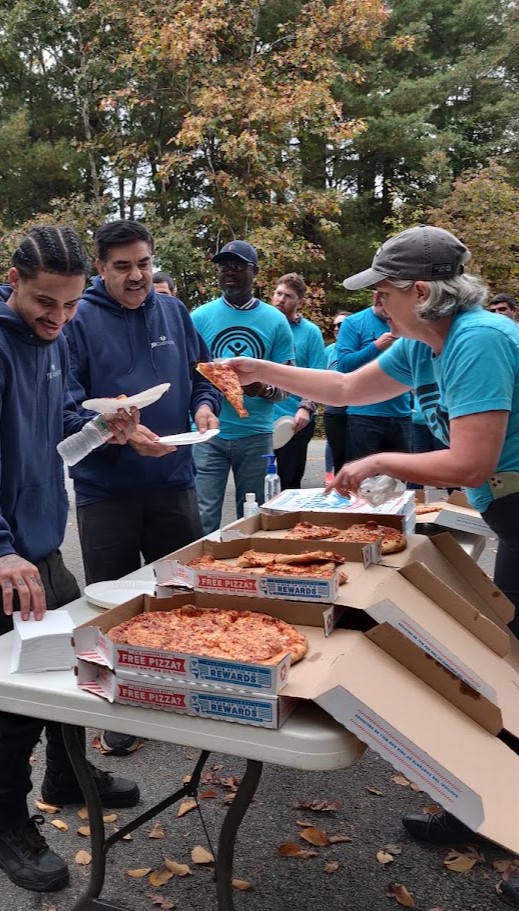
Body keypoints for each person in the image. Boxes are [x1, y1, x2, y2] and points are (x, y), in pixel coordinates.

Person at [225, 224, 519, 909]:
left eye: (383, 292)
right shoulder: (428, 343)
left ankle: (503, 816)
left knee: (509, 672)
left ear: (421, 291)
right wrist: (260, 369)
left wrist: (380, 461)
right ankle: (481, 808)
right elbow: (346, 386)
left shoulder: (477, 339)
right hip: (508, 509)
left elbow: (470, 461)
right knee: (492, 664)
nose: (376, 304)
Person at [0, 225, 140, 894]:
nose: (58, 318)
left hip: (39, 540)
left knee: (80, 654)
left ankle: (65, 775)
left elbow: (50, 430)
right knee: (22, 694)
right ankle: (3, 827)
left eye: (72, 304)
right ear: (14, 279)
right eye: (46, 302)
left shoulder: (47, 341)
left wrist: (100, 425)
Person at [64, 220, 220, 755]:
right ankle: (119, 707)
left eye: (144, 264)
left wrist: (205, 406)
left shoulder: (173, 311)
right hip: (105, 489)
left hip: (174, 479)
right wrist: (120, 435)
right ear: (100, 269)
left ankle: (184, 691)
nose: (137, 276)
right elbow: (64, 409)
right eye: (123, 267)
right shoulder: (78, 321)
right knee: (112, 601)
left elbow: (202, 376)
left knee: (179, 593)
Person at [190, 240, 294, 529]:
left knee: (256, 516)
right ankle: (202, 572)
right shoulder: (198, 317)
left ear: (255, 272)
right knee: (202, 515)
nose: (229, 272)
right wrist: (213, 378)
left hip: (256, 433)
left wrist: (264, 388)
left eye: (237, 266)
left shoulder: (275, 321)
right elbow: (186, 374)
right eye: (223, 267)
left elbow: (287, 385)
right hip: (207, 432)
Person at [336, 291, 412, 461]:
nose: (390, 314)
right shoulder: (353, 322)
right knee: (365, 480)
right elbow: (344, 365)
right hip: (364, 413)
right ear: (376, 299)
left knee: (399, 478)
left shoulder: (406, 323)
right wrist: (376, 346)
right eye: (386, 308)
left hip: (401, 412)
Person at [270, 273, 326, 489]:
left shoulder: (310, 333)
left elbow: (318, 376)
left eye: (288, 296)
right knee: (256, 486)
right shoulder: (262, 326)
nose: (281, 299)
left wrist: (306, 408)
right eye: (278, 293)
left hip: (294, 421)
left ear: (300, 302)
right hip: (259, 420)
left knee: (289, 485)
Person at [323, 312, 350, 481]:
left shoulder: (358, 350)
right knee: (332, 444)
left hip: (356, 409)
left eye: (341, 325)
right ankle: (330, 475)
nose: (337, 328)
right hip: (332, 407)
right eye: (335, 326)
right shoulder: (328, 351)